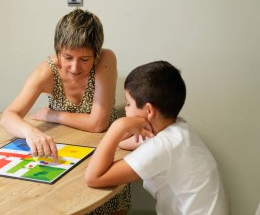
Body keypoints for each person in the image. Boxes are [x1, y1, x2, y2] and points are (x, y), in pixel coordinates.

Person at [0, 9, 129, 214]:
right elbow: (8, 116)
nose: (75, 67)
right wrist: (30, 132)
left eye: (85, 59)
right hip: (65, 157)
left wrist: (53, 115)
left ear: (96, 54)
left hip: (104, 152)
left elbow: (98, 124)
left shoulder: (107, 58)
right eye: (67, 57)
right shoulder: (46, 71)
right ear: (58, 50)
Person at [85, 61, 229, 215]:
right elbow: (123, 143)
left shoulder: (163, 146)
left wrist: (119, 126)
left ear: (148, 110)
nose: (126, 110)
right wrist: (127, 127)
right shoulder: (178, 128)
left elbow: (94, 177)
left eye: (128, 104)